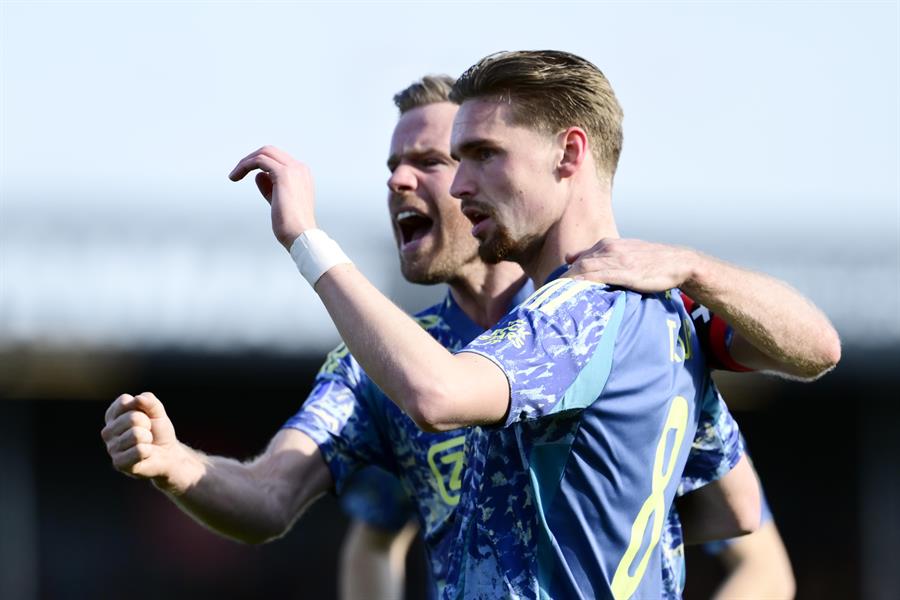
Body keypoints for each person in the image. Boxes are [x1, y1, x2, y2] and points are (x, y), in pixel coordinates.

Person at [103, 68, 836, 598]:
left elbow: (744, 517)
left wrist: (694, 267)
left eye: (438, 160)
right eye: (393, 166)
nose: (405, 182)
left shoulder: (606, 311)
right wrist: (176, 464)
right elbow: (275, 500)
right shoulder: (377, 362)